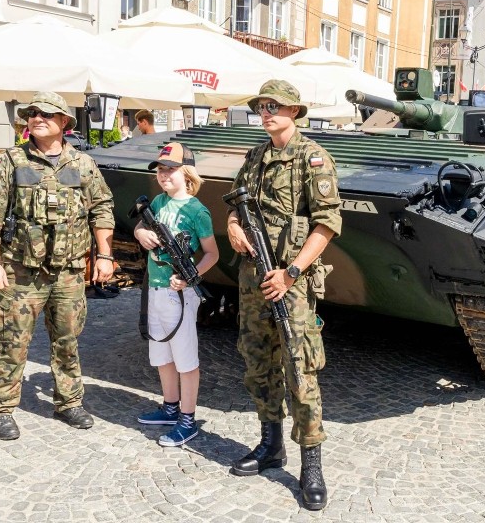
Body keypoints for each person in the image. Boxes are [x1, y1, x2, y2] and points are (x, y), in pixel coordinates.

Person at [226, 80, 342, 511]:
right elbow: (233, 203)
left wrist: (292, 273)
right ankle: (270, 445)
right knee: (258, 361)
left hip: (291, 283)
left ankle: (311, 462)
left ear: (294, 110)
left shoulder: (312, 157)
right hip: (253, 279)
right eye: (261, 106)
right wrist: (234, 226)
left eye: (274, 106)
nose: (266, 112)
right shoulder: (255, 156)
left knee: (299, 367)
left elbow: (327, 223)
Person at [0, 91, 115, 441]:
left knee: (68, 339)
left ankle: (68, 401)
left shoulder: (82, 164)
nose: (37, 118)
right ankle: (1, 407)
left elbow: (102, 208)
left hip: (68, 271)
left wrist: (105, 255)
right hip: (21, 271)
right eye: (32, 113)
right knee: (10, 338)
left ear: (64, 122)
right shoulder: (9, 161)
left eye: (47, 114)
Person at [133, 141, 218, 447]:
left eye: (171, 169)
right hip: (155, 288)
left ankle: (187, 418)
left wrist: (189, 276)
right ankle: (170, 407)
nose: (164, 175)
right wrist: (141, 232)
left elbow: (212, 253)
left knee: (184, 358)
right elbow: (140, 227)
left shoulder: (198, 210)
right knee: (161, 355)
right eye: (160, 169)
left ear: (187, 173)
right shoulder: (157, 203)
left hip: (178, 293)